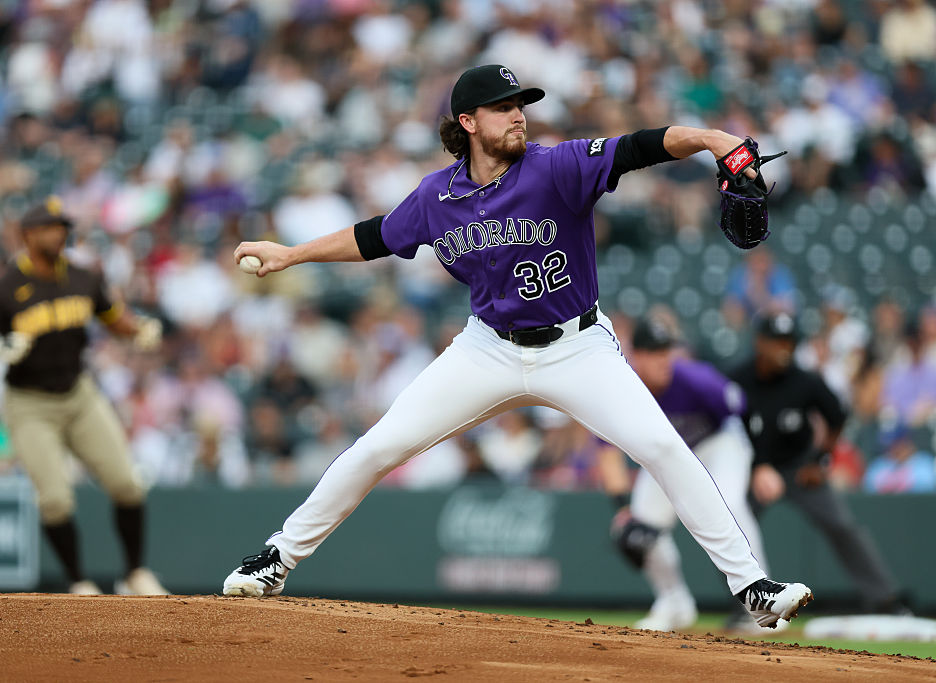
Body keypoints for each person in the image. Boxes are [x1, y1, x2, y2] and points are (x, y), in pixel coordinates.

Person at [223, 65, 812, 628]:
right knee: (379, 446)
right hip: (488, 350)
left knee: (662, 445)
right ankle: (276, 558)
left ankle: (750, 586)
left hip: (577, 347)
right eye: (503, 108)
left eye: (521, 106)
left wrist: (712, 137)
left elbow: (643, 145)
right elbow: (375, 236)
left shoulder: (556, 167)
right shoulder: (437, 197)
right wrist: (291, 253)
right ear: (468, 122)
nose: (519, 117)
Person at [0, 197, 169, 596]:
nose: (58, 234)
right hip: (30, 404)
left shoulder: (82, 277)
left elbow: (113, 317)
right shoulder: (6, 288)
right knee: (55, 501)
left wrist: (139, 329)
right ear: (28, 235)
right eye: (48, 227)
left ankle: (134, 573)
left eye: (61, 226)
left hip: (79, 395)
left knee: (127, 484)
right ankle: (79, 581)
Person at [730, 312, 906, 614]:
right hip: (752, 470)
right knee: (730, 530)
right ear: (760, 343)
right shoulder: (737, 379)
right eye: (776, 342)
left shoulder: (805, 381)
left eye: (789, 343)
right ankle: (747, 606)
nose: (783, 349)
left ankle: (885, 598)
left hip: (799, 468)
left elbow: (837, 417)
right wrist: (749, 468)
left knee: (843, 526)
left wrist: (820, 461)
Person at [605, 317, 771, 632]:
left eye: (666, 350)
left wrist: (761, 465)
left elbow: (746, 413)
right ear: (635, 355)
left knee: (731, 506)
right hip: (671, 453)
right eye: (654, 352)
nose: (663, 359)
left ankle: (760, 602)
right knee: (641, 527)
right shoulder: (622, 389)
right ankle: (673, 602)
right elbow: (606, 452)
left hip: (719, 445)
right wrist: (621, 508)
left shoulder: (696, 379)